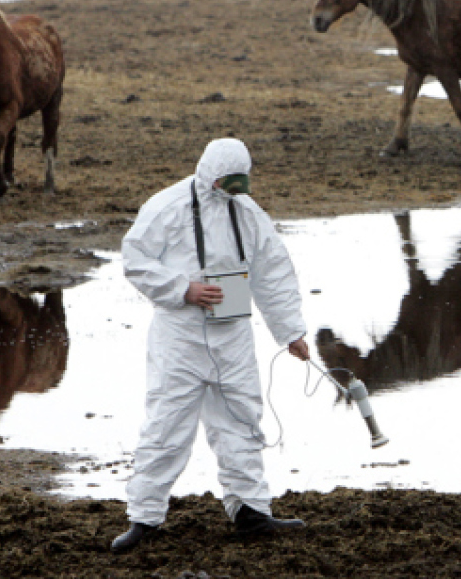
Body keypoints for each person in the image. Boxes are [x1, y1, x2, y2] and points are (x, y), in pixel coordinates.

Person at [112, 138, 311, 553]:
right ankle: (144, 518)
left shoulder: (248, 212)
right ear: (210, 174)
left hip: (233, 335)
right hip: (180, 337)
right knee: (166, 424)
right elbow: (135, 259)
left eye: (240, 184)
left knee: (242, 419)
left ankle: (251, 510)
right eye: (226, 183)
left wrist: (290, 331)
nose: (232, 192)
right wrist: (183, 289)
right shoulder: (166, 207)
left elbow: (272, 270)